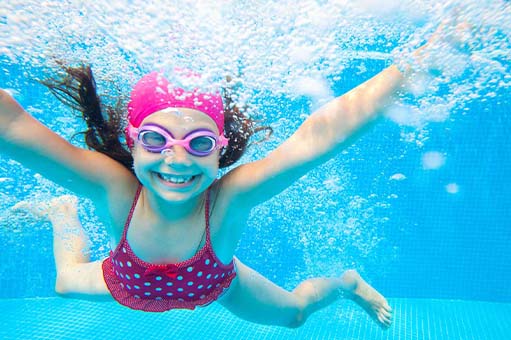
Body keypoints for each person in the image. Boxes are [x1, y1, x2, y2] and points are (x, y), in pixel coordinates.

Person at [1, 34, 440, 327]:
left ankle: (346, 283)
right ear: (132, 141)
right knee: (63, 283)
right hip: (125, 282)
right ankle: (61, 212)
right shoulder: (115, 188)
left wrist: (417, 63)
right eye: (155, 139)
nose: (176, 159)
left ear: (219, 149)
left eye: (199, 142)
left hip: (216, 283)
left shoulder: (229, 200)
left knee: (295, 315)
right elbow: (15, 129)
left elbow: (318, 138)